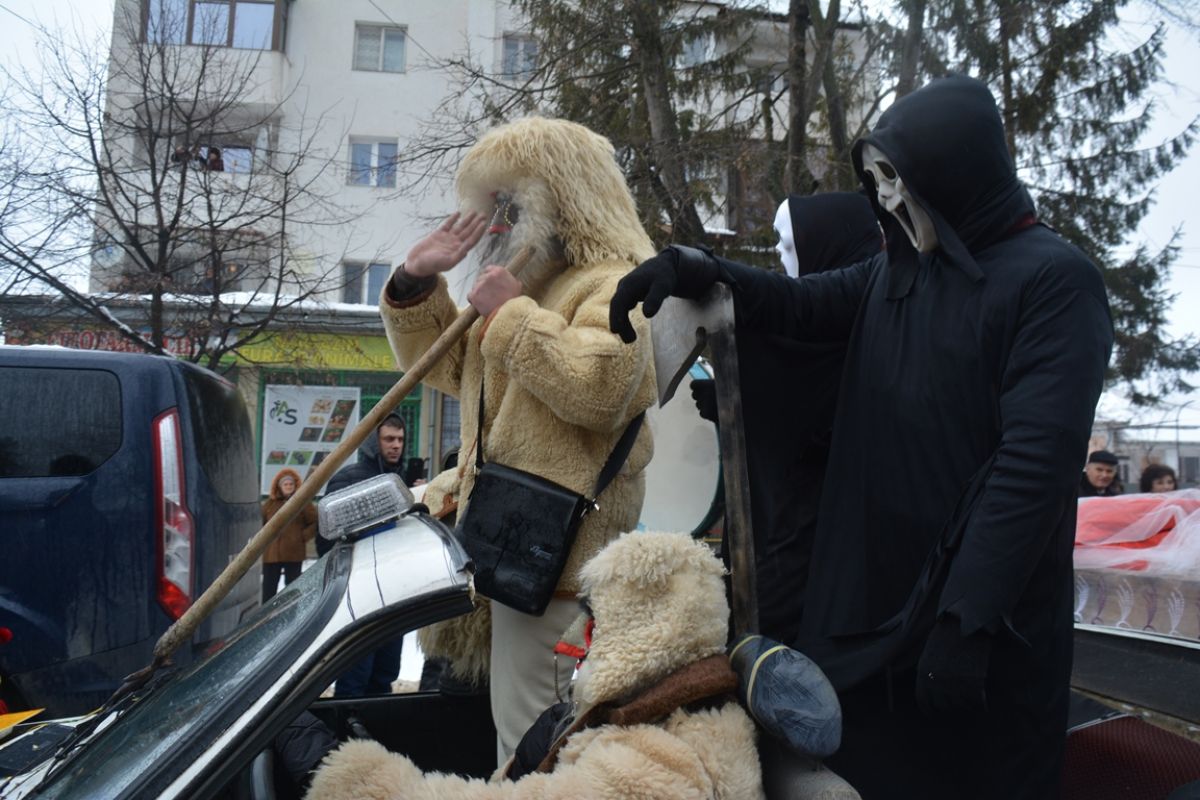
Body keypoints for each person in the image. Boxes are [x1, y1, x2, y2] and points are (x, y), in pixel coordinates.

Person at [609, 75, 1114, 799]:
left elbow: (1034, 466)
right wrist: (703, 270)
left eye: (897, 178)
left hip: (977, 628)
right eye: (877, 180)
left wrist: (969, 619)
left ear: (955, 172)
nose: (887, 197)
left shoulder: (1056, 282)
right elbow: (803, 305)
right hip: (875, 616)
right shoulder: (898, 273)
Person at [379, 117, 656, 763]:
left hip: (560, 568)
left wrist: (509, 314)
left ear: (560, 197)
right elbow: (454, 369)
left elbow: (602, 387)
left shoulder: (616, 281)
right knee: (519, 739)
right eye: (492, 205)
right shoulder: (535, 287)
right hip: (512, 553)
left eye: (510, 203)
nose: (496, 223)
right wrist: (415, 281)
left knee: (536, 749)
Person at [305, 531, 764, 800]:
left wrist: (363, 782)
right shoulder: (668, 718)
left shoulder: (655, 761)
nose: (580, 642)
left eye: (596, 625)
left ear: (642, 635)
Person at [692, 192, 881, 643]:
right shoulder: (821, 327)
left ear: (825, 244)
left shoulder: (862, 331)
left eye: (788, 242)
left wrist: (743, 397)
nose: (778, 252)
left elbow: (812, 427)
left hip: (824, 563)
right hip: (788, 550)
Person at [322, 413, 410, 697]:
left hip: (394, 594)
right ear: (374, 442)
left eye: (400, 440)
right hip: (360, 596)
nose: (395, 445)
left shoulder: (401, 482)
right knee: (355, 677)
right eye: (389, 439)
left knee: (384, 675)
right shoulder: (348, 480)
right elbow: (327, 541)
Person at [260, 468, 317, 603]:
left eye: (291, 484)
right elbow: (260, 523)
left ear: (295, 485)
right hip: (272, 553)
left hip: (294, 552)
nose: (288, 486)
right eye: (285, 484)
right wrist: (264, 540)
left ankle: (292, 610)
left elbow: (314, 522)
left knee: (293, 588)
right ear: (279, 486)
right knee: (268, 589)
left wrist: (302, 537)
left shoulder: (303, 503)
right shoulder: (270, 504)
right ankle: (267, 612)